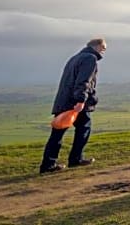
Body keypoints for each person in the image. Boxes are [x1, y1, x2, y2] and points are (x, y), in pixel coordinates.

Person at [39, 38, 107, 174]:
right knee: (84, 130)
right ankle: (75, 159)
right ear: (96, 46)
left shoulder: (75, 58)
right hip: (75, 103)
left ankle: (48, 164)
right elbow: (84, 81)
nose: (104, 50)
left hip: (64, 101)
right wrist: (81, 101)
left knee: (57, 133)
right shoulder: (90, 59)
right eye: (103, 47)